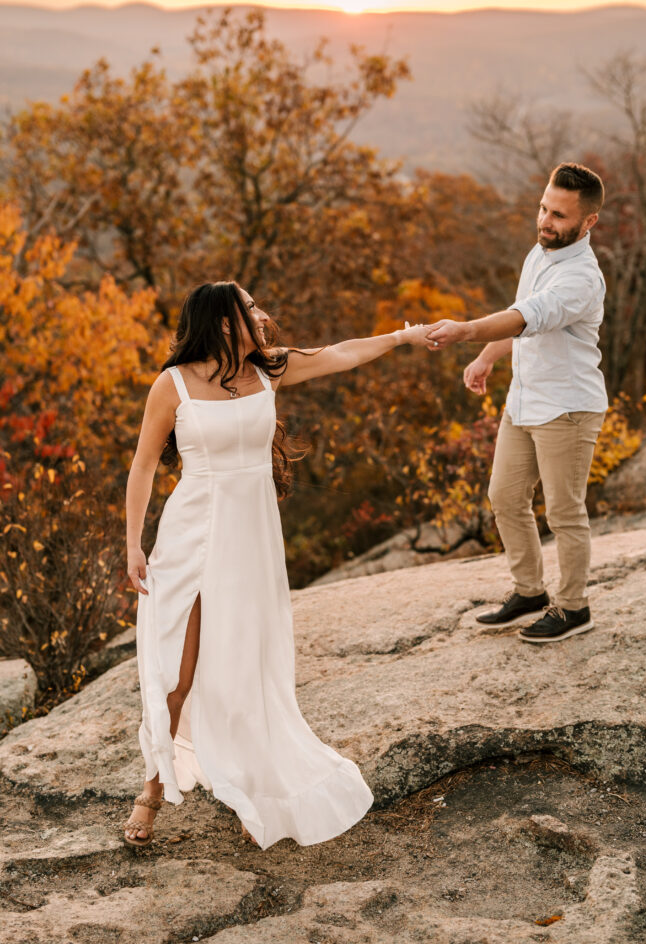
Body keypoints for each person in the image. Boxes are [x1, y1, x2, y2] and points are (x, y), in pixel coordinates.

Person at [124, 281, 429, 849]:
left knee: (245, 664)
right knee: (178, 669)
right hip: (190, 535)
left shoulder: (269, 369)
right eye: (250, 309)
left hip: (251, 541)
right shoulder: (171, 386)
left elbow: (341, 353)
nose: (263, 316)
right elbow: (142, 467)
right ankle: (152, 787)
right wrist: (133, 544)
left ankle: (252, 788)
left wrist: (401, 338)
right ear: (222, 323)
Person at [425, 162, 607, 644]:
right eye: (544, 208)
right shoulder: (540, 252)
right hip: (525, 401)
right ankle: (529, 592)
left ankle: (573, 608)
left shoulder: (582, 279)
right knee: (504, 497)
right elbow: (518, 312)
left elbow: (527, 316)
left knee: (565, 513)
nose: (546, 220)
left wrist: (465, 332)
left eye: (560, 215)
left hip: (567, 408)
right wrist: (486, 357)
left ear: (588, 222)